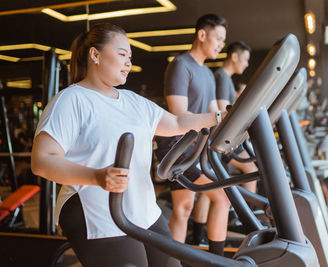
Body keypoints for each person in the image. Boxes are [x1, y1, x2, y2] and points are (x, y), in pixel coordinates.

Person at [31, 23, 225, 267]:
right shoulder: (71, 100)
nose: (128, 63)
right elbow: (42, 160)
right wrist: (97, 177)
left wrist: (220, 118)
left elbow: (176, 121)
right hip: (96, 211)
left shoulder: (133, 101)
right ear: (95, 55)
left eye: (130, 57)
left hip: (141, 208)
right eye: (122, 54)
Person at [155, 14, 230, 256]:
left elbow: (210, 113)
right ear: (201, 35)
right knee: (222, 199)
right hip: (176, 147)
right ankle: (217, 260)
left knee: (183, 209)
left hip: (194, 148)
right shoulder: (180, 65)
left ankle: (172, 261)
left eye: (223, 40)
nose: (221, 44)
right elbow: (179, 115)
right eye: (218, 38)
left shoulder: (207, 74)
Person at [214, 41, 258, 193]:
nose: (246, 64)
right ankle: (246, 215)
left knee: (211, 194)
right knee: (252, 172)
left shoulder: (226, 79)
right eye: (245, 59)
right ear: (234, 56)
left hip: (229, 138)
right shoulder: (221, 77)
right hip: (224, 140)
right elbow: (222, 112)